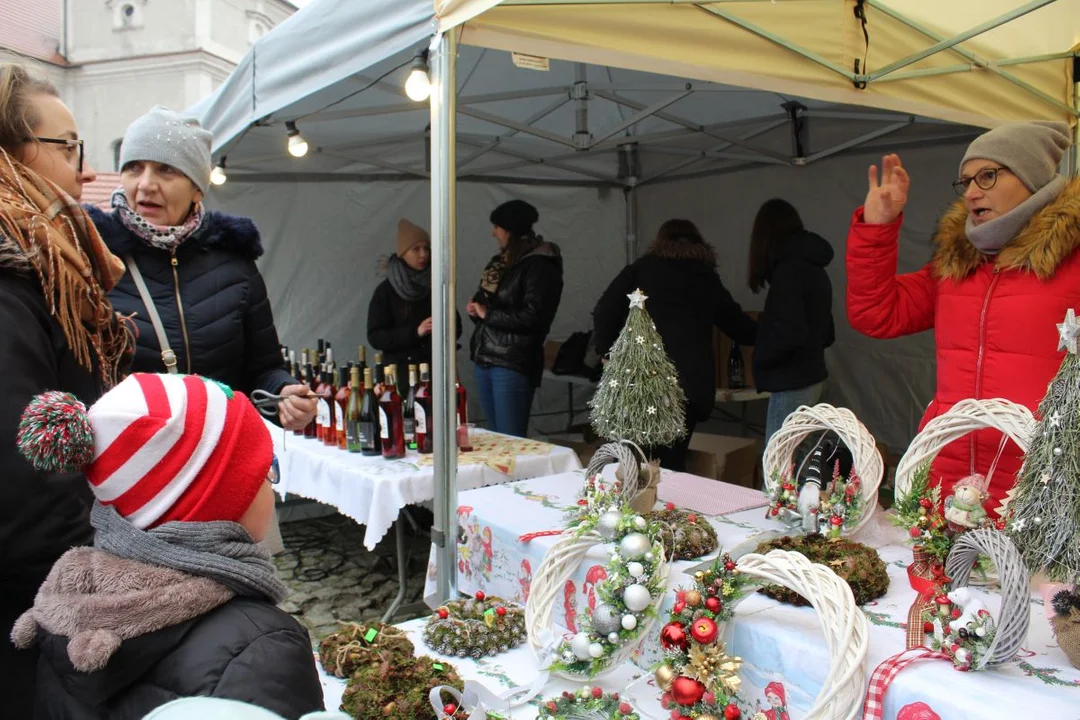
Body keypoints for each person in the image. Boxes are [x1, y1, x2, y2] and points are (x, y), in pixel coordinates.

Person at [11, 373, 325, 718]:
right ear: (225, 502)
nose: (271, 483)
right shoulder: (260, 648)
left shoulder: (64, 608)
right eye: (265, 469)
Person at [847, 121, 1078, 513]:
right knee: (934, 575)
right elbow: (876, 314)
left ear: (1032, 177)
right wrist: (878, 228)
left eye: (987, 176)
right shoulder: (955, 263)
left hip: (1037, 484)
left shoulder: (1071, 261)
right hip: (949, 479)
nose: (971, 192)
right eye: (966, 181)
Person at [0, 60, 134, 717]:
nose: (81, 167)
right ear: (13, 151)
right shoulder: (15, 272)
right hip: (32, 592)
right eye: (67, 145)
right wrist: (89, 577)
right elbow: (25, 460)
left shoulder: (47, 256)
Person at [87, 105, 316, 431]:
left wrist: (284, 395)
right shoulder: (93, 261)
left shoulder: (235, 264)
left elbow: (264, 368)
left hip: (218, 458)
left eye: (166, 170)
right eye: (134, 168)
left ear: (197, 188)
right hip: (129, 465)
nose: (146, 184)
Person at [593, 219, 756, 471]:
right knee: (669, 465)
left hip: (642, 381)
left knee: (631, 462)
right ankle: (668, 509)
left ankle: (632, 507)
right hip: (688, 387)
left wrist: (607, 354)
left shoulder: (641, 270)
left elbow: (604, 310)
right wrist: (779, 332)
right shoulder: (706, 278)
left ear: (659, 241)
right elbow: (740, 328)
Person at [467, 199, 563, 437]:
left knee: (510, 440)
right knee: (494, 438)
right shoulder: (499, 264)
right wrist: (477, 310)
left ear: (509, 230)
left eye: (497, 227)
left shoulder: (540, 265)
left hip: (513, 363)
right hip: (485, 358)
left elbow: (534, 317)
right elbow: (485, 302)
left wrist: (488, 314)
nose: (493, 233)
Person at [747, 199, 835, 444]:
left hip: (792, 383)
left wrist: (762, 358)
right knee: (803, 468)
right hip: (814, 377)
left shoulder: (788, 272)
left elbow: (789, 333)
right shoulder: (815, 269)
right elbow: (828, 333)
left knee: (778, 468)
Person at [367, 218, 460, 392]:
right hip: (401, 375)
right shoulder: (386, 291)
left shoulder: (437, 285)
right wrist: (416, 332)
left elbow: (457, 328)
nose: (423, 254)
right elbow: (375, 336)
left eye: (426, 248)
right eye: (416, 249)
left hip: (436, 372)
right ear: (403, 253)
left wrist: (446, 323)